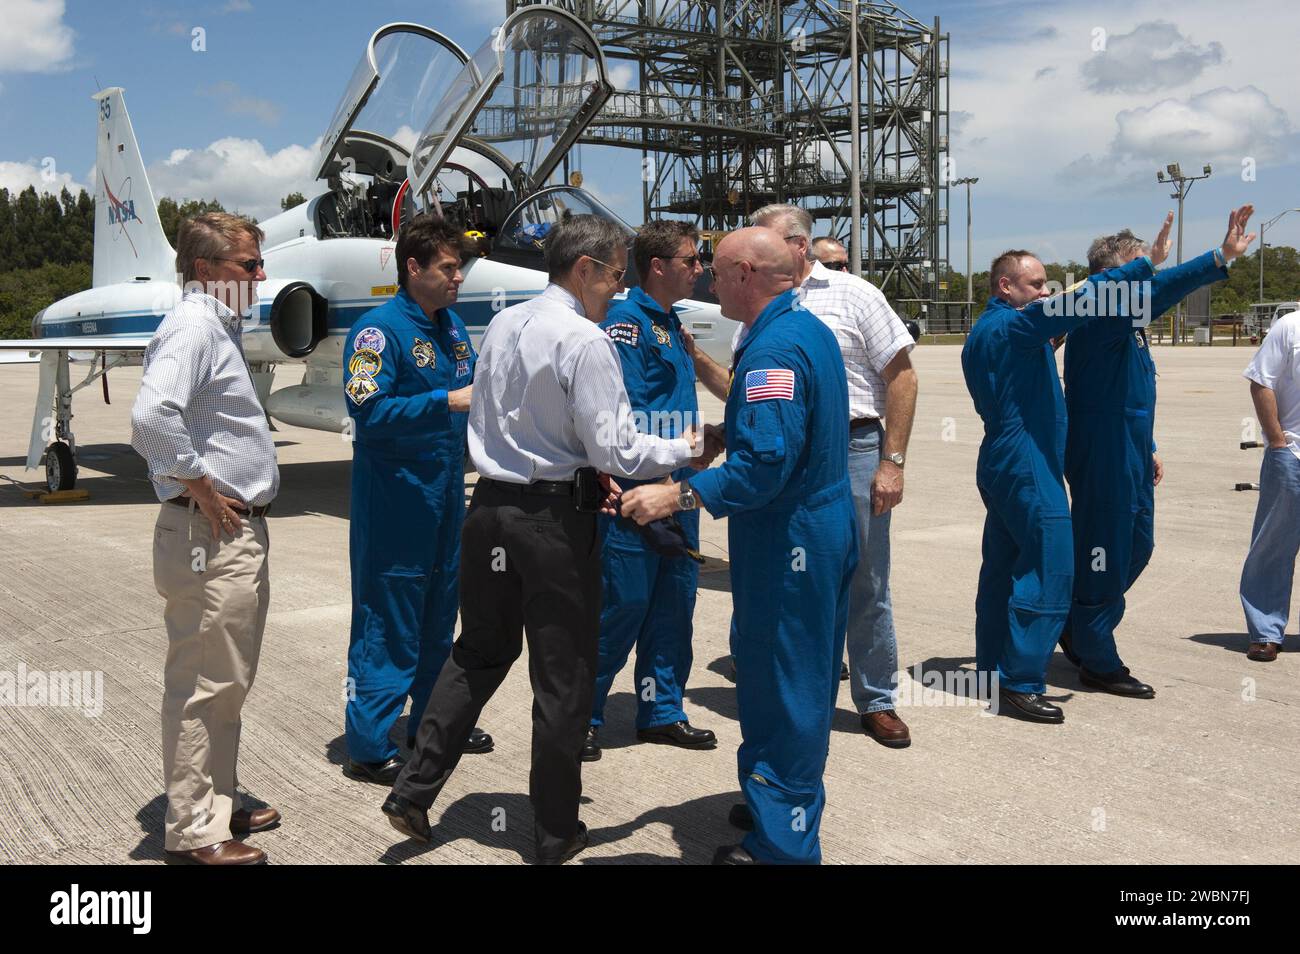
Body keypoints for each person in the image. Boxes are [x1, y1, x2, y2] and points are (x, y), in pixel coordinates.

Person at [380, 215, 699, 864]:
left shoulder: (502, 325)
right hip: (553, 525)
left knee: (477, 654)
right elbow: (618, 448)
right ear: (583, 270)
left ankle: (413, 790)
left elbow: (524, 421)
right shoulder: (584, 341)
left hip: (490, 511)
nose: (617, 287)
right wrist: (687, 448)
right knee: (564, 681)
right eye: (614, 274)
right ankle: (555, 833)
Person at [622, 227, 857, 865]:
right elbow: (785, 430)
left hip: (791, 537)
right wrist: (732, 428)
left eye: (717, 272)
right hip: (805, 526)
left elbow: (765, 465)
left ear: (747, 274)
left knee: (789, 682)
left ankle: (783, 841)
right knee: (769, 670)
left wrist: (676, 495)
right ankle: (767, 793)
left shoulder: (776, 348)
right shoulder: (798, 329)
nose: (706, 281)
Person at [131, 212, 279, 865]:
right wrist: (200, 484)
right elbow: (150, 415)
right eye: (249, 265)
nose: (260, 276)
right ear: (206, 270)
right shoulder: (194, 327)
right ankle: (195, 832)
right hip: (210, 533)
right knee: (203, 683)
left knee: (226, 679)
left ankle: (216, 801)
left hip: (222, 530)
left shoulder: (214, 326)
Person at [1062, 209, 1253, 694]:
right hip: (1103, 454)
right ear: (1111, 273)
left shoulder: (1124, 314)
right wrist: (1218, 257)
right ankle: (1098, 658)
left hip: (1129, 450)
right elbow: (1158, 292)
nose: (1147, 272)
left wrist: (1148, 446)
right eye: (1138, 264)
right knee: (1105, 548)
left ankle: (1076, 620)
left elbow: (1134, 391)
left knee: (1138, 545)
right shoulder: (1097, 307)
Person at [752, 204, 918, 748]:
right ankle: (812, 699)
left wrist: (891, 462)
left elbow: (902, 376)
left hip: (853, 448)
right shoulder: (762, 303)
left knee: (866, 577)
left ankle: (876, 698)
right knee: (802, 581)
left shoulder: (855, 294)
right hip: (787, 454)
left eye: (766, 243)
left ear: (797, 246)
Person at [342, 214, 492, 786]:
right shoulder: (377, 333)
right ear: (414, 267)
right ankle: (368, 742)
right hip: (395, 502)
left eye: (459, 267)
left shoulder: (452, 327)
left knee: (439, 615)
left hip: (447, 495)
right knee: (389, 620)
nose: (458, 278)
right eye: (448, 268)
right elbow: (368, 412)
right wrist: (445, 402)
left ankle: (432, 727)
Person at [581, 220, 716, 763]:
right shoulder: (625, 324)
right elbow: (625, 412)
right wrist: (654, 471)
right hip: (638, 490)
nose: (699, 269)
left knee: (674, 603)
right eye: (690, 260)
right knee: (623, 603)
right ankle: (584, 714)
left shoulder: (672, 325)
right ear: (657, 267)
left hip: (680, 489)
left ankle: (661, 709)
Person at [1240, 294, 1300, 663]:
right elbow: (1261, 383)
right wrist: (1277, 442)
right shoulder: (1289, 327)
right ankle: (1265, 631)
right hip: (1292, 455)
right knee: (1273, 546)